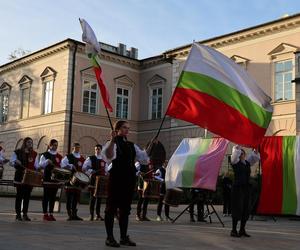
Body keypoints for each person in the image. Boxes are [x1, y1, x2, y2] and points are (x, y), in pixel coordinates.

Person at [102, 120, 149, 247]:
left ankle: (123, 237)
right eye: (124, 127)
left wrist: (151, 146)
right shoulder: (112, 143)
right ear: (117, 129)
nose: (127, 130)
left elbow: (144, 159)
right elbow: (109, 156)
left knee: (125, 209)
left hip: (129, 179)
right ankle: (109, 237)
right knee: (111, 209)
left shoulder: (131, 145)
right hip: (116, 178)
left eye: (128, 128)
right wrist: (112, 140)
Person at [230, 145, 260, 237]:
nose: (241, 155)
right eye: (240, 153)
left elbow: (254, 157)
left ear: (245, 155)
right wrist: (238, 147)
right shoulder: (235, 162)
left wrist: (256, 149)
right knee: (237, 208)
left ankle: (242, 229)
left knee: (246, 209)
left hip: (246, 188)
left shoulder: (247, 163)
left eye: (242, 154)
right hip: (238, 188)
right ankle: (234, 230)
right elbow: (235, 155)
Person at [10, 137, 39, 221]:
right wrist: (15, 161)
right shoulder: (18, 152)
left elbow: (36, 165)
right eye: (28, 142)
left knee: (27, 196)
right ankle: (18, 214)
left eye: (31, 142)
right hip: (20, 176)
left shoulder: (34, 154)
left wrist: (40, 168)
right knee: (19, 196)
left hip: (29, 177)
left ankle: (25, 214)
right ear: (25, 143)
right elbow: (11, 162)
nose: (30, 144)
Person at [39, 139, 63, 221]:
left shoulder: (59, 156)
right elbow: (40, 165)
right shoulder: (45, 155)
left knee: (53, 197)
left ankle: (51, 214)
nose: (55, 146)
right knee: (46, 196)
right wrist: (46, 161)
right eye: (54, 145)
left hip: (56, 179)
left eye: (56, 145)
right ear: (50, 145)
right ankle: (45, 214)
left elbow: (62, 167)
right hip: (47, 178)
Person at [82, 144, 108, 221]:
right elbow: (84, 168)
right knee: (92, 198)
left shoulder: (104, 159)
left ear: (101, 150)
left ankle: (98, 214)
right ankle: (91, 214)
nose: (97, 150)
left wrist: (106, 174)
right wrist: (90, 171)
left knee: (99, 198)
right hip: (93, 180)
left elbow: (106, 170)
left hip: (101, 181)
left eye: (99, 149)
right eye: (96, 149)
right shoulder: (90, 158)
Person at [61, 142, 85, 221]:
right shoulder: (68, 157)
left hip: (78, 181)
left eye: (78, 147)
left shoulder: (82, 158)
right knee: (69, 197)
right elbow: (62, 164)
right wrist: (69, 165)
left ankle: (74, 214)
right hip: (70, 179)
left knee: (76, 197)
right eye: (76, 147)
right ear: (73, 148)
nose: (77, 149)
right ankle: (69, 214)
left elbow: (84, 168)